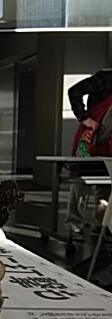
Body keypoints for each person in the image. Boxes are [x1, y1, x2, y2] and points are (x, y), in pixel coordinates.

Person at [65, 68, 112, 240]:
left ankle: (99, 226)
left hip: (109, 143)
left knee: (106, 183)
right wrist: (85, 118)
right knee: (80, 181)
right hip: (89, 136)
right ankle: (74, 225)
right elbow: (74, 91)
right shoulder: (106, 78)